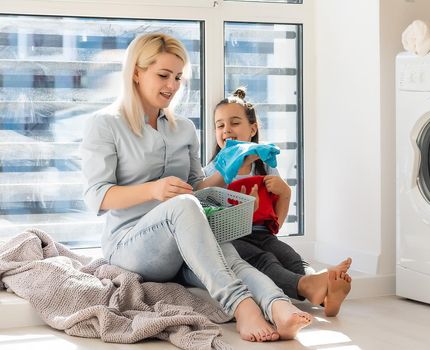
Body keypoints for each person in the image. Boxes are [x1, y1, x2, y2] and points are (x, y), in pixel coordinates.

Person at [79, 32, 312, 342]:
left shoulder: (184, 128)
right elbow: (97, 196)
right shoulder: (106, 124)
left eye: (178, 76)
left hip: (183, 235)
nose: (173, 85)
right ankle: (242, 307)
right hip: (130, 245)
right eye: (163, 75)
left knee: (229, 255)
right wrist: (153, 190)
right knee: (187, 209)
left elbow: (195, 189)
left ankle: (279, 306)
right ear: (136, 72)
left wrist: (228, 164)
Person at [204, 88, 352, 317]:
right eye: (220, 125)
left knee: (289, 255)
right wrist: (244, 209)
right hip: (233, 239)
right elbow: (208, 214)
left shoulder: (265, 167)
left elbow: (277, 219)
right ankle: (312, 287)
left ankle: (325, 292)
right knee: (266, 260)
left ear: (252, 129)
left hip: (263, 233)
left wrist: (284, 193)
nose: (226, 130)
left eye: (234, 123)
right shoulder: (213, 172)